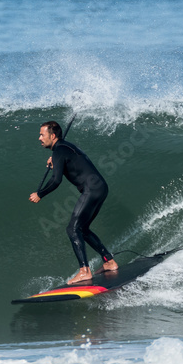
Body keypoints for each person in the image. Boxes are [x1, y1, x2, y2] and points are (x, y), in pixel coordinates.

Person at [29, 121, 118, 284]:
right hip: (101, 187)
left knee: (72, 229)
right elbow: (74, 160)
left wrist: (40, 194)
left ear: (53, 136)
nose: (39, 138)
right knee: (82, 229)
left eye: (42, 134)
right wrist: (57, 161)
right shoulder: (66, 147)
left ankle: (84, 271)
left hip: (91, 190)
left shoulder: (59, 151)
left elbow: (56, 180)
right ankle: (109, 261)